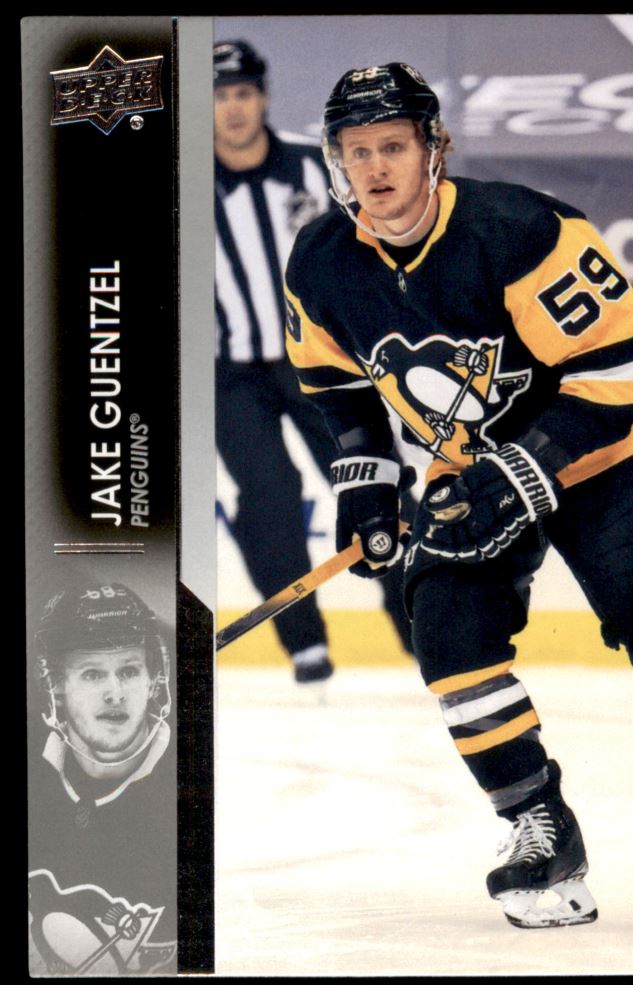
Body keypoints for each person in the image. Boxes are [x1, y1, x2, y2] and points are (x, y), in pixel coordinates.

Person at [284, 63, 633, 928]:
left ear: (432, 148)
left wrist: (524, 468)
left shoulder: (520, 230)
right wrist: (366, 485)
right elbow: (338, 387)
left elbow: (618, 368)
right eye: (356, 151)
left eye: (392, 147)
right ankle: (537, 826)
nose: (374, 168)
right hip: (464, 474)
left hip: (600, 463)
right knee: (449, 638)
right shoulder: (322, 261)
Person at [213, 41, 414, 690]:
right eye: (219, 95)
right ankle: (304, 644)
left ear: (263, 96)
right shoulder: (181, 184)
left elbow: (370, 248)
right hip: (230, 375)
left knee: (376, 483)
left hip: (322, 364)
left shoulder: (314, 166)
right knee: (266, 500)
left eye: (243, 92)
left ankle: (421, 624)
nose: (233, 108)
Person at [28, 582, 177, 974]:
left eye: (129, 670)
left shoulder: (185, 792)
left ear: (153, 678)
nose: (115, 693)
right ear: (56, 684)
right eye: (92, 674)